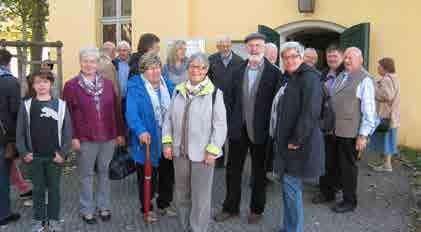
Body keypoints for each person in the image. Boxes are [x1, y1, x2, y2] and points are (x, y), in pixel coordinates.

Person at [215, 32, 280, 224]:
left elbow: (277, 104)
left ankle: (256, 210)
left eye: (258, 45)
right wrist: (226, 123)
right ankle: (230, 208)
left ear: (264, 47)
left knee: (259, 173)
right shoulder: (236, 69)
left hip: (261, 131)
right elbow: (227, 98)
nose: (254, 49)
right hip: (237, 129)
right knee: (233, 170)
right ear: (246, 48)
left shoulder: (274, 73)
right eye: (251, 46)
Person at [162, 52, 227, 232]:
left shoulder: (215, 94)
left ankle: (198, 228)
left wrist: (213, 150)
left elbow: (220, 126)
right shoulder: (178, 90)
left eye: (201, 67)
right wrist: (167, 143)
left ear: (206, 70)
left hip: (203, 155)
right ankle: (184, 227)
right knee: (182, 195)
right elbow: (168, 120)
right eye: (192, 66)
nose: (196, 70)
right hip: (180, 153)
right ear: (187, 68)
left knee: (201, 197)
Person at [63, 47, 125, 224]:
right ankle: (86, 208)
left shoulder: (106, 84)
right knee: (86, 174)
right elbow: (66, 115)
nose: (89, 64)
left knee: (105, 172)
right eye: (85, 61)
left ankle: (103, 206)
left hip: (108, 136)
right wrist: (73, 137)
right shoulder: (71, 86)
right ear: (80, 62)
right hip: (85, 138)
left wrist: (120, 133)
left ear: (98, 63)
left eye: (92, 61)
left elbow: (115, 109)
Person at [271, 41, 324, 232]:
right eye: (286, 57)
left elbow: (310, 112)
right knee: (287, 187)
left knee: (291, 187)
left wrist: (296, 139)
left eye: (294, 56)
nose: (290, 60)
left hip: (298, 143)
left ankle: (294, 229)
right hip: (286, 142)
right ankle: (289, 227)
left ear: (301, 58)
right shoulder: (289, 78)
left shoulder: (309, 78)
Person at [16, 71, 72, 232]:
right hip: (34, 156)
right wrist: (24, 152)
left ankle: (54, 219)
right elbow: (20, 132)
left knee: (54, 189)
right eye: (38, 82)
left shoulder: (61, 105)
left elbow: (68, 131)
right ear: (33, 85)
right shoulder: (26, 105)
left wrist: (62, 153)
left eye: (45, 82)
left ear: (51, 84)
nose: (41, 85)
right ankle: (38, 219)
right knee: (38, 189)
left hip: (54, 156)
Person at [125, 52, 176, 223]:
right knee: (147, 176)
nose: (154, 72)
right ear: (143, 71)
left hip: (167, 139)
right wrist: (139, 131)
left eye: (157, 67)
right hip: (146, 140)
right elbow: (131, 113)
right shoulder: (134, 87)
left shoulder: (169, 85)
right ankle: (147, 207)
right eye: (150, 68)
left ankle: (164, 204)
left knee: (167, 174)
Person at [330, 47, 376, 213]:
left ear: (361, 60)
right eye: (346, 57)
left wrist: (363, 135)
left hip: (351, 132)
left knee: (348, 168)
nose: (347, 60)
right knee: (335, 164)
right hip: (336, 129)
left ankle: (350, 201)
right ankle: (334, 192)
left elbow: (369, 111)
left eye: (351, 58)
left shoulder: (365, 79)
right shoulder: (342, 75)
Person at [312, 45, 345, 204]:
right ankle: (326, 191)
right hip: (324, 122)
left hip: (341, 124)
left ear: (342, 57)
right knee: (325, 158)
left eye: (335, 56)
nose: (331, 59)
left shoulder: (347, 74)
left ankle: (335, 187)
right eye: (329, 56)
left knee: (339, 160)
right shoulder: (323, 73)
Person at [208, 36, 244, 168]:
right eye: (222, 46)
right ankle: (218, 159)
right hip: (216, 101)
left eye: (227, 45)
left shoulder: (240, 61)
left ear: (231, 46)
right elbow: (208, 80)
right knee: (217, 129)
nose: (225, 48)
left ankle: (233, 161)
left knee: (232, 132)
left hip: (233, 102)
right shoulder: (211, 60)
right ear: (218, 47)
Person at [0, 49, 21, 226]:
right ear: (8, 63)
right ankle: (3, 213)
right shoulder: (10, 82)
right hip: (4, 136)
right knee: (2, 175)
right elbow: (16, 111)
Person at [369, 57, 400, 172]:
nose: (378, 68)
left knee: (386, 139)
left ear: (385, 68)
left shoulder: (387, 79)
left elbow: (387, 95)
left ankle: (387, 165)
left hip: (387, 115)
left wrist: (374, 88)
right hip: (392, 114)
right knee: (388, 139)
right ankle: (386, 163)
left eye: (379, 66)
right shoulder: (394, 78)